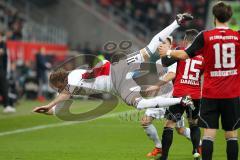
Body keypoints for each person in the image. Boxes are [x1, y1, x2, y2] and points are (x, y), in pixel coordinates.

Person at [33, 13, 194, 115]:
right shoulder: (74, 76)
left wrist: (50, 104)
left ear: (60, 82)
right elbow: (59, 105)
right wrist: (48, 109)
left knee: (140, 104)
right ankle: (177, 22)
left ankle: (180, 100)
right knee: (149, 49)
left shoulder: (72, 82)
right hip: (119, 65)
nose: (58, 91)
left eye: (57, 88)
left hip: (116, 81)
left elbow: (66, 93)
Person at [159, 2, 240, 160]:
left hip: (210, 93)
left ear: (214, 17)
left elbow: (184, 55)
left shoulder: (205, 36)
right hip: (231, 93)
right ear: (230, 18)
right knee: (231, 135)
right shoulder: (237, 37)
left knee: (209, 134)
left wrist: (167, 51)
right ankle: (197, 150)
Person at [141, 37, 191, 158]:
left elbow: (172, 75)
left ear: (170, 46)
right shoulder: (158, 62)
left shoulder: (174, 59)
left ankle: (199, 144)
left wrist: (155, 85)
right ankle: (159, 147)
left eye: (164, 43)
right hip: (159, 99)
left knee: (180, 130)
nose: (160, 45)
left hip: (172, 99)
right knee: (145, 122)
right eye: (159, 44)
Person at [159, 29, 203, 160]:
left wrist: (163, 53)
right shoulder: (203, 55)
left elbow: (165, 63)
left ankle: (164, 157)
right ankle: (196, 150)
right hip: (195, 95)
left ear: (185, 40)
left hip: (179, 94)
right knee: (194, 123)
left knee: (169, 124)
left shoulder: (180, 51)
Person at [0, 32, 15, 113]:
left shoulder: (3, 44)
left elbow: (1, 52)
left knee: (4, 88)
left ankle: (7, 106)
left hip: (1, 70)